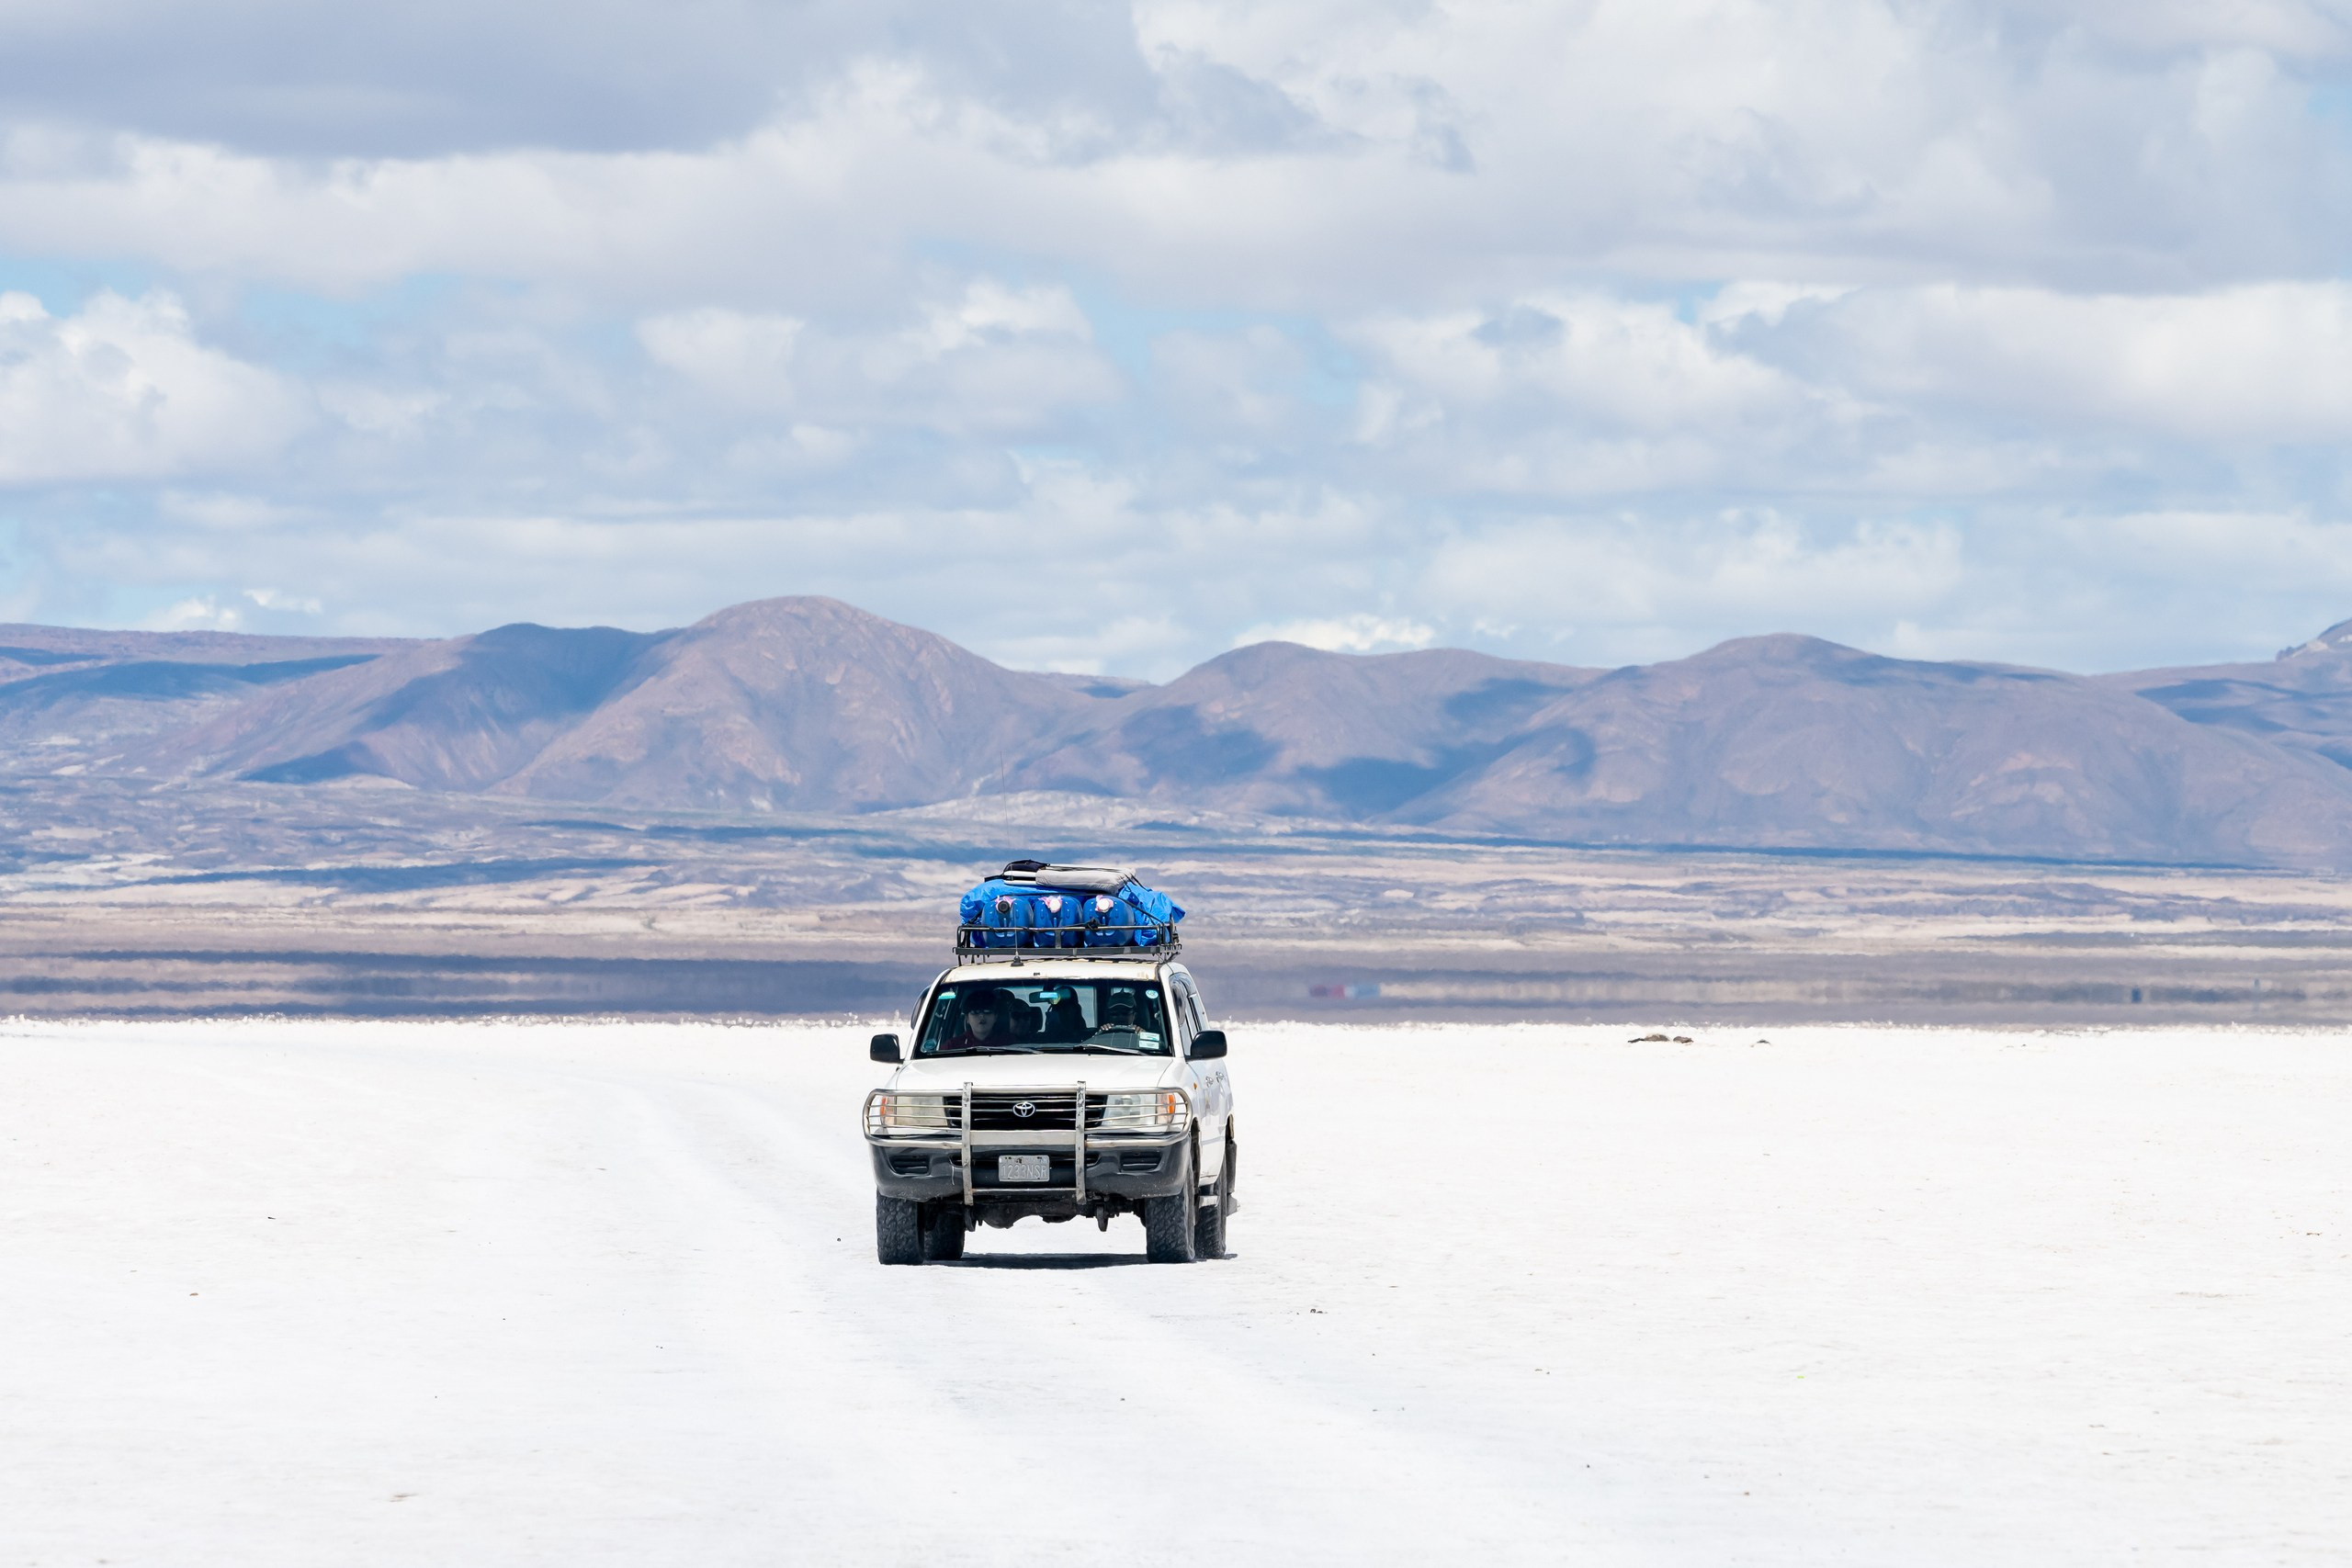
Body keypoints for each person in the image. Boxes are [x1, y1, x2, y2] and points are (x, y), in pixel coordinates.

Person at [943, 988, 1010, 1052]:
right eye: (975, 1012)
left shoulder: (1010, 1044)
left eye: (987, 1011)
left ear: (996, 1017)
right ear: (967, 1018)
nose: (982, 1016)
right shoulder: (952, 1046)